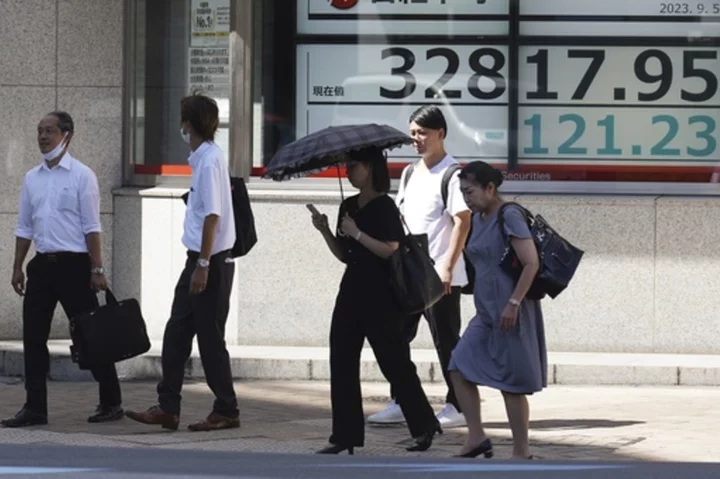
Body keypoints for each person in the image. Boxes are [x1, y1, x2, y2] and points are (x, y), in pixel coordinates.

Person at [311, 147, 440, 455]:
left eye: (352, 165)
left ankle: (424, 426)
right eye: (346, 165)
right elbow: (344, 254)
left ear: (369, 168)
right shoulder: (348, 205)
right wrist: (326, 231)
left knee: (394, 362)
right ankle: (344, 435)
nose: (347, 170)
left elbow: (391, 249)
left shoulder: (384, 206)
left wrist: (356, 233)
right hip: (351, 291)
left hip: (382, 295)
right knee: (341, 359)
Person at [125, 94, 239, 432]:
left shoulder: (209, 160)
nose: (181, 125)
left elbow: (213, 215)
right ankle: (167, 406)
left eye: (183, 119)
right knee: (177, 333)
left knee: (210, 339)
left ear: (189, 123)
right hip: (199, 260)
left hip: (210, 262)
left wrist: (203, 264)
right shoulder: (202, 158)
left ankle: (227, 409)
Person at [2, 112, 122, 428]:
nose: (43, 137)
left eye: (50, 131)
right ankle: (35, 407)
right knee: (33, 336)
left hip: (75, 267)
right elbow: (24, 226)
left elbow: (92, 227)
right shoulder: (32, 178)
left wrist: (97, 268)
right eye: (39, 131)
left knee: (91, 336)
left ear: (67, 135)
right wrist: (17, 267)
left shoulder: (83, 176)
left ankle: (111, 401)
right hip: (42, 266)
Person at [367, 106, 471, 429]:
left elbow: (462, 222)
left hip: (439, 275)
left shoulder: (453, 174)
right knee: (396, 337)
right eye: (413, 133)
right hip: (408, 273)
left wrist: (448, 267)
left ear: (441, 133)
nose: (417, 139)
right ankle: (402, 399)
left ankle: (459, 404)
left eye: (423, 132)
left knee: (446, 340)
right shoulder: (411, 173)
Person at [449, 161, 547, 460]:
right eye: (462, 192)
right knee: (458, 365)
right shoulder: (477, 219)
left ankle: (522, 450)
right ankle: (477, 436)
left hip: (512, 309)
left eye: (470, 191)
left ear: (490, 188)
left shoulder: (510, 215)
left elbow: (531, 263)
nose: (467, 198)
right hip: (486, 311)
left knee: (512, 383)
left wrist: (514, 303)